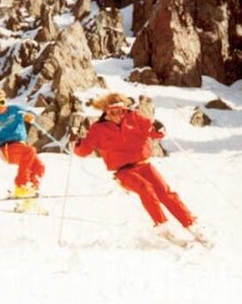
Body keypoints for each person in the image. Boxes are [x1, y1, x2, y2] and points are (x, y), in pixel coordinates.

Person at [71, 92, 208, 245]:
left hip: (144, 164)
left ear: (126, 110)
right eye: (113, 112)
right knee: (146, 188)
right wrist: (76, 144)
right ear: (106, 111)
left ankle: (192, 225)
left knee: (165, 192)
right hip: (123, 171)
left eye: (121, 111)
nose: (118, 116)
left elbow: (154, 132)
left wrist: (159, 128)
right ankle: (162, 226)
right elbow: (83, 151)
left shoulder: (135, 117)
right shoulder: (98, 128)